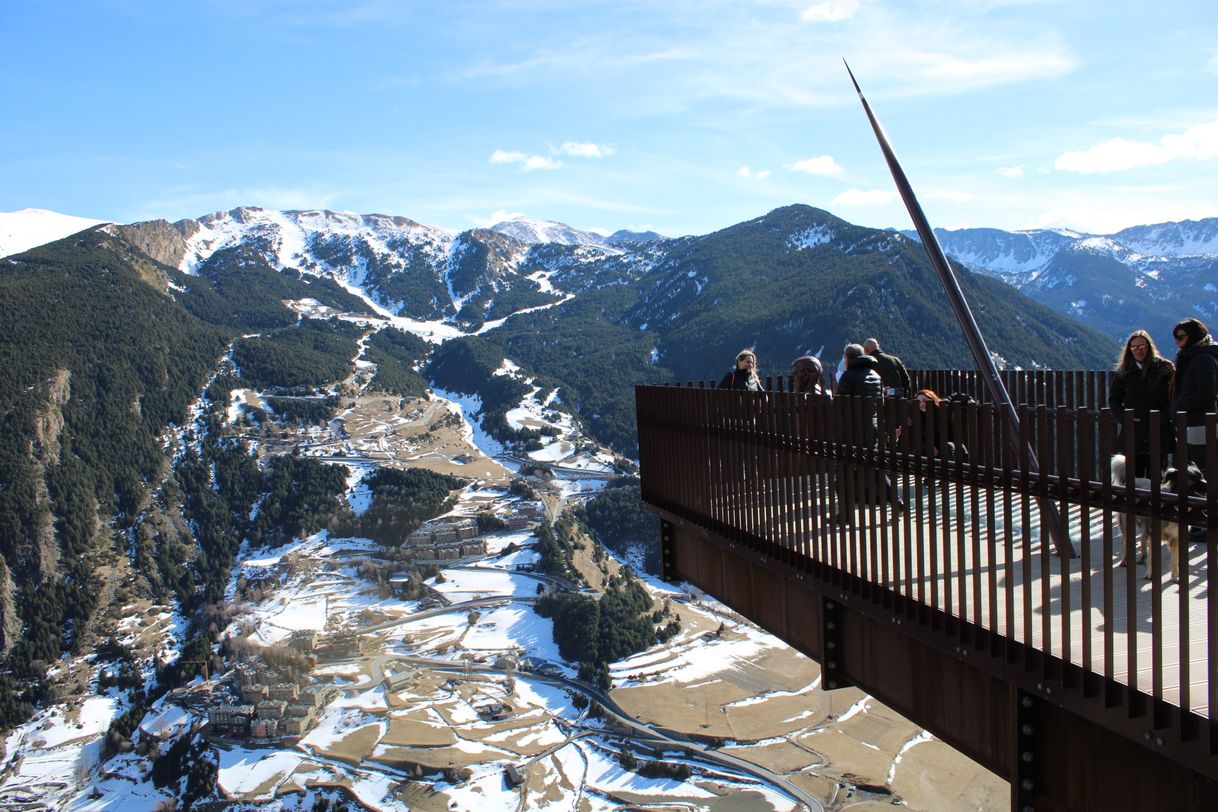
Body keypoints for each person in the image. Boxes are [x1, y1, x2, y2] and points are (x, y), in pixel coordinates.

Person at [834, 343, 902, 522]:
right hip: (872, 428)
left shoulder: (848, 377)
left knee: (844, 470)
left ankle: (846, 514)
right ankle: (897, 502)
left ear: (848, 359)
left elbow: (839, 404)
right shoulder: (875, 375)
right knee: (875, 469)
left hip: (853, 429)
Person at [1108, 329, 1174, 478]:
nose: (1138, 351)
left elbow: (1174, 398)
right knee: (1133, 478)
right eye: (1134, 348)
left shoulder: (1165, 368)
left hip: (1158, 431)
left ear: (1148, 346)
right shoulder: (1124, 371)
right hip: (1134, 431)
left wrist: (1161, 417)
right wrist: (1124, 417)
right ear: (1129, 350)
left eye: (1142, 346)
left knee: (1157, 476)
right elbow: (1114, 400)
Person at [1170, 318, 1218, 476]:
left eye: (1181, 337)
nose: (1177, 341)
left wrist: (1180, 405)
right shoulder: (1192, 356)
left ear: (1193, 336)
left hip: (1201, 425)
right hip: (1193, 424)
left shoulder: (1204, 359)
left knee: (1203, 470)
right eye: (1176, 337)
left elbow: (1207, 393)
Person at [896, 389, 964, 460]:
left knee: (952, 447)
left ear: (932, 400)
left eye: (925, 401)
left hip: (947, 446)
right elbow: (914, 437)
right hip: (928, 451)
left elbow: (955, 396)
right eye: (919, 402)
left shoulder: (941, 408)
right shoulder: (916, 416)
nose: (922, 404)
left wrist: (969, 400)